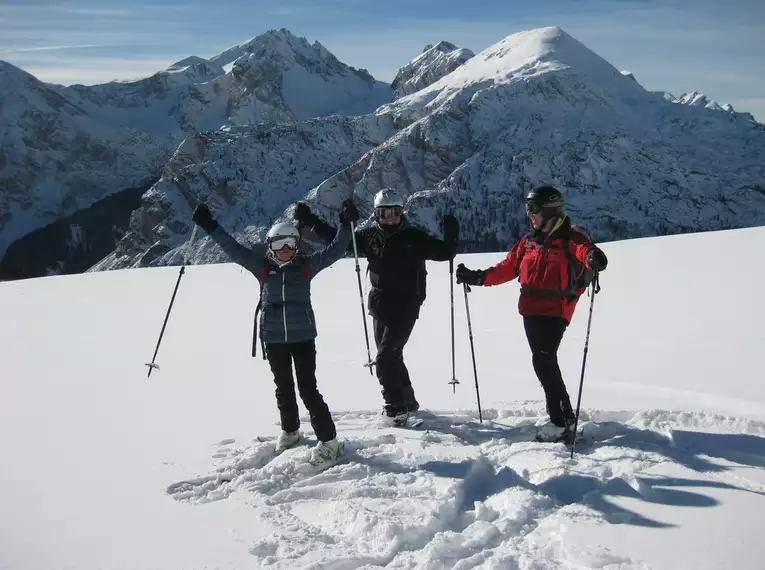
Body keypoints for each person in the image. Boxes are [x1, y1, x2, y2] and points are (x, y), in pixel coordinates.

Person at [191, 199, 360, 464]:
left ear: (297, 245)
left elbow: (336, 250)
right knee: (283, 387)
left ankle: (329, 441)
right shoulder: (262, 268)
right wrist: (210, 225)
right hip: (273, 339)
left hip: (303, 338)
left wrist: (345, 224)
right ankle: (290, 431)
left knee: (308, 389)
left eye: (290, 244)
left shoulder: (306, 266)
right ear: (270, 247)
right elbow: (233, 249)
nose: (284, 250)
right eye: (279, 245)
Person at [295, 188, 459, 426]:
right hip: (380, 306)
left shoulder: (414, 238)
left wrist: (451, 235)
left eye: (394, 212)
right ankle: (408, 401)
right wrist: (310, 221)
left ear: (402, 212)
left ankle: (396, 410)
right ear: (376, 214)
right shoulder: (370, 237)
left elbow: (445, 253)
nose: (390, 218)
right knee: (393, 356)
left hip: (406, 307)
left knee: (384, 360)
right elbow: (337, 239)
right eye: (384, 213)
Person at [455, 185, 608, 439]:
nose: (529, 214)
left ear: (549, 210)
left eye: (533, 209)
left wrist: (593, 256)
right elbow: (507, 268)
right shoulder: (528, 242)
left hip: (556, 310)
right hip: (530, 310)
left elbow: (585, 251)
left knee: (544, 359)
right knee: (544, 362)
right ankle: (564, 416)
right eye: (528, 208)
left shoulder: (570, 238)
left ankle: (561, 421)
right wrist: (477, 277)